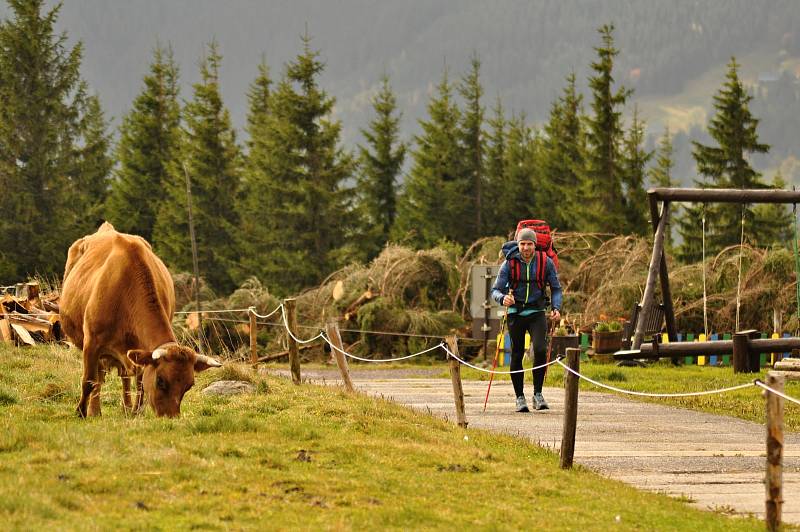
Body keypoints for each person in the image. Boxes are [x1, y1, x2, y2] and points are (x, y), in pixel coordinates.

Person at [491, 228, 562, 412]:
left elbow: (556, 288)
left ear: (535, 245)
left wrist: (556, 307)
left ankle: (538, 395)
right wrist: (503, 298)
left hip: (537, 312)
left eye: (529, 244)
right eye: (522, 244)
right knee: (516, 354)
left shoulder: (545, 263)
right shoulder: (509, 263)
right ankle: (519, 397)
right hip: (515, 313)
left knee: (540, 350)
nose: (526, 248)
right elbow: (495, 290)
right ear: (518, 244)